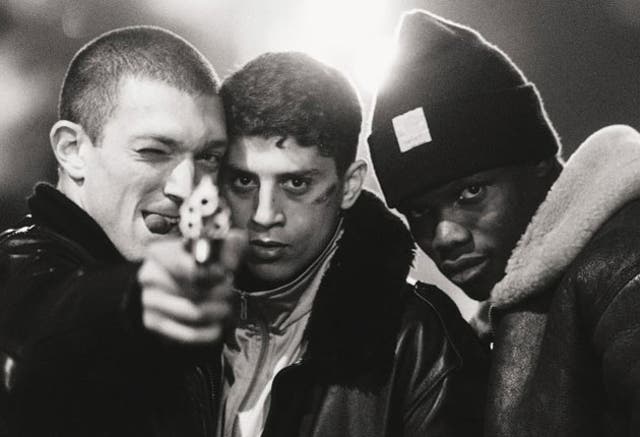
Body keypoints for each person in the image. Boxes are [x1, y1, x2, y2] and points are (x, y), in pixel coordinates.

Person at [368, 9, 640, 436]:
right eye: (419, 212)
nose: (445, 235)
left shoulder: (622, 266)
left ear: (536, 162)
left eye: (470, 192)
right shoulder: (501, 320)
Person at [216, 51, 489, 437]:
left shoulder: (419, 342)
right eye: (244, 181)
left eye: (296, 183)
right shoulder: (168, 323)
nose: (263, 215)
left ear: (350, 185)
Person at [0, 26, 245, 436]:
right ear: (72, 150)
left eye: (208, 157)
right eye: (153, 151)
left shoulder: (201, 289)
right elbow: (46, 325)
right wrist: (133, 302)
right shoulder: (18, 273)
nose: (186, 187)